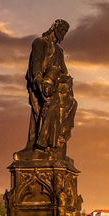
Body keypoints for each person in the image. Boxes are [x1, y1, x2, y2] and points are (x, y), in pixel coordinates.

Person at [25, 19, 77, 154]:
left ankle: (59, 140)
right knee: (50, 107)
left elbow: (64, 72)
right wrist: (38, 80)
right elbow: (36, 63)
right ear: (55, 28)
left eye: (66, 32)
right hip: (43, 84)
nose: (64, 34)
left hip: (57, 86)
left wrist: (66, 81)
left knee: (72, 103)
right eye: (63, 30)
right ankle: (42, 143)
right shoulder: (40, 42)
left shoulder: (59, 50)